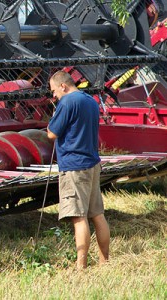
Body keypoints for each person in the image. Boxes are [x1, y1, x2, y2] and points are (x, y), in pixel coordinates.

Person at [47, 71, 110, 270]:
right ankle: (104, 261)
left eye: (54, 91)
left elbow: (51, 133)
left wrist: (54, 114)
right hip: (92, 163)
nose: (54, 96)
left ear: (63, 86)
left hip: (74, 166)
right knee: (97, 214)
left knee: (79, 217)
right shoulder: (91, 101)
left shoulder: (66, 102)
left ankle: (80, 266)